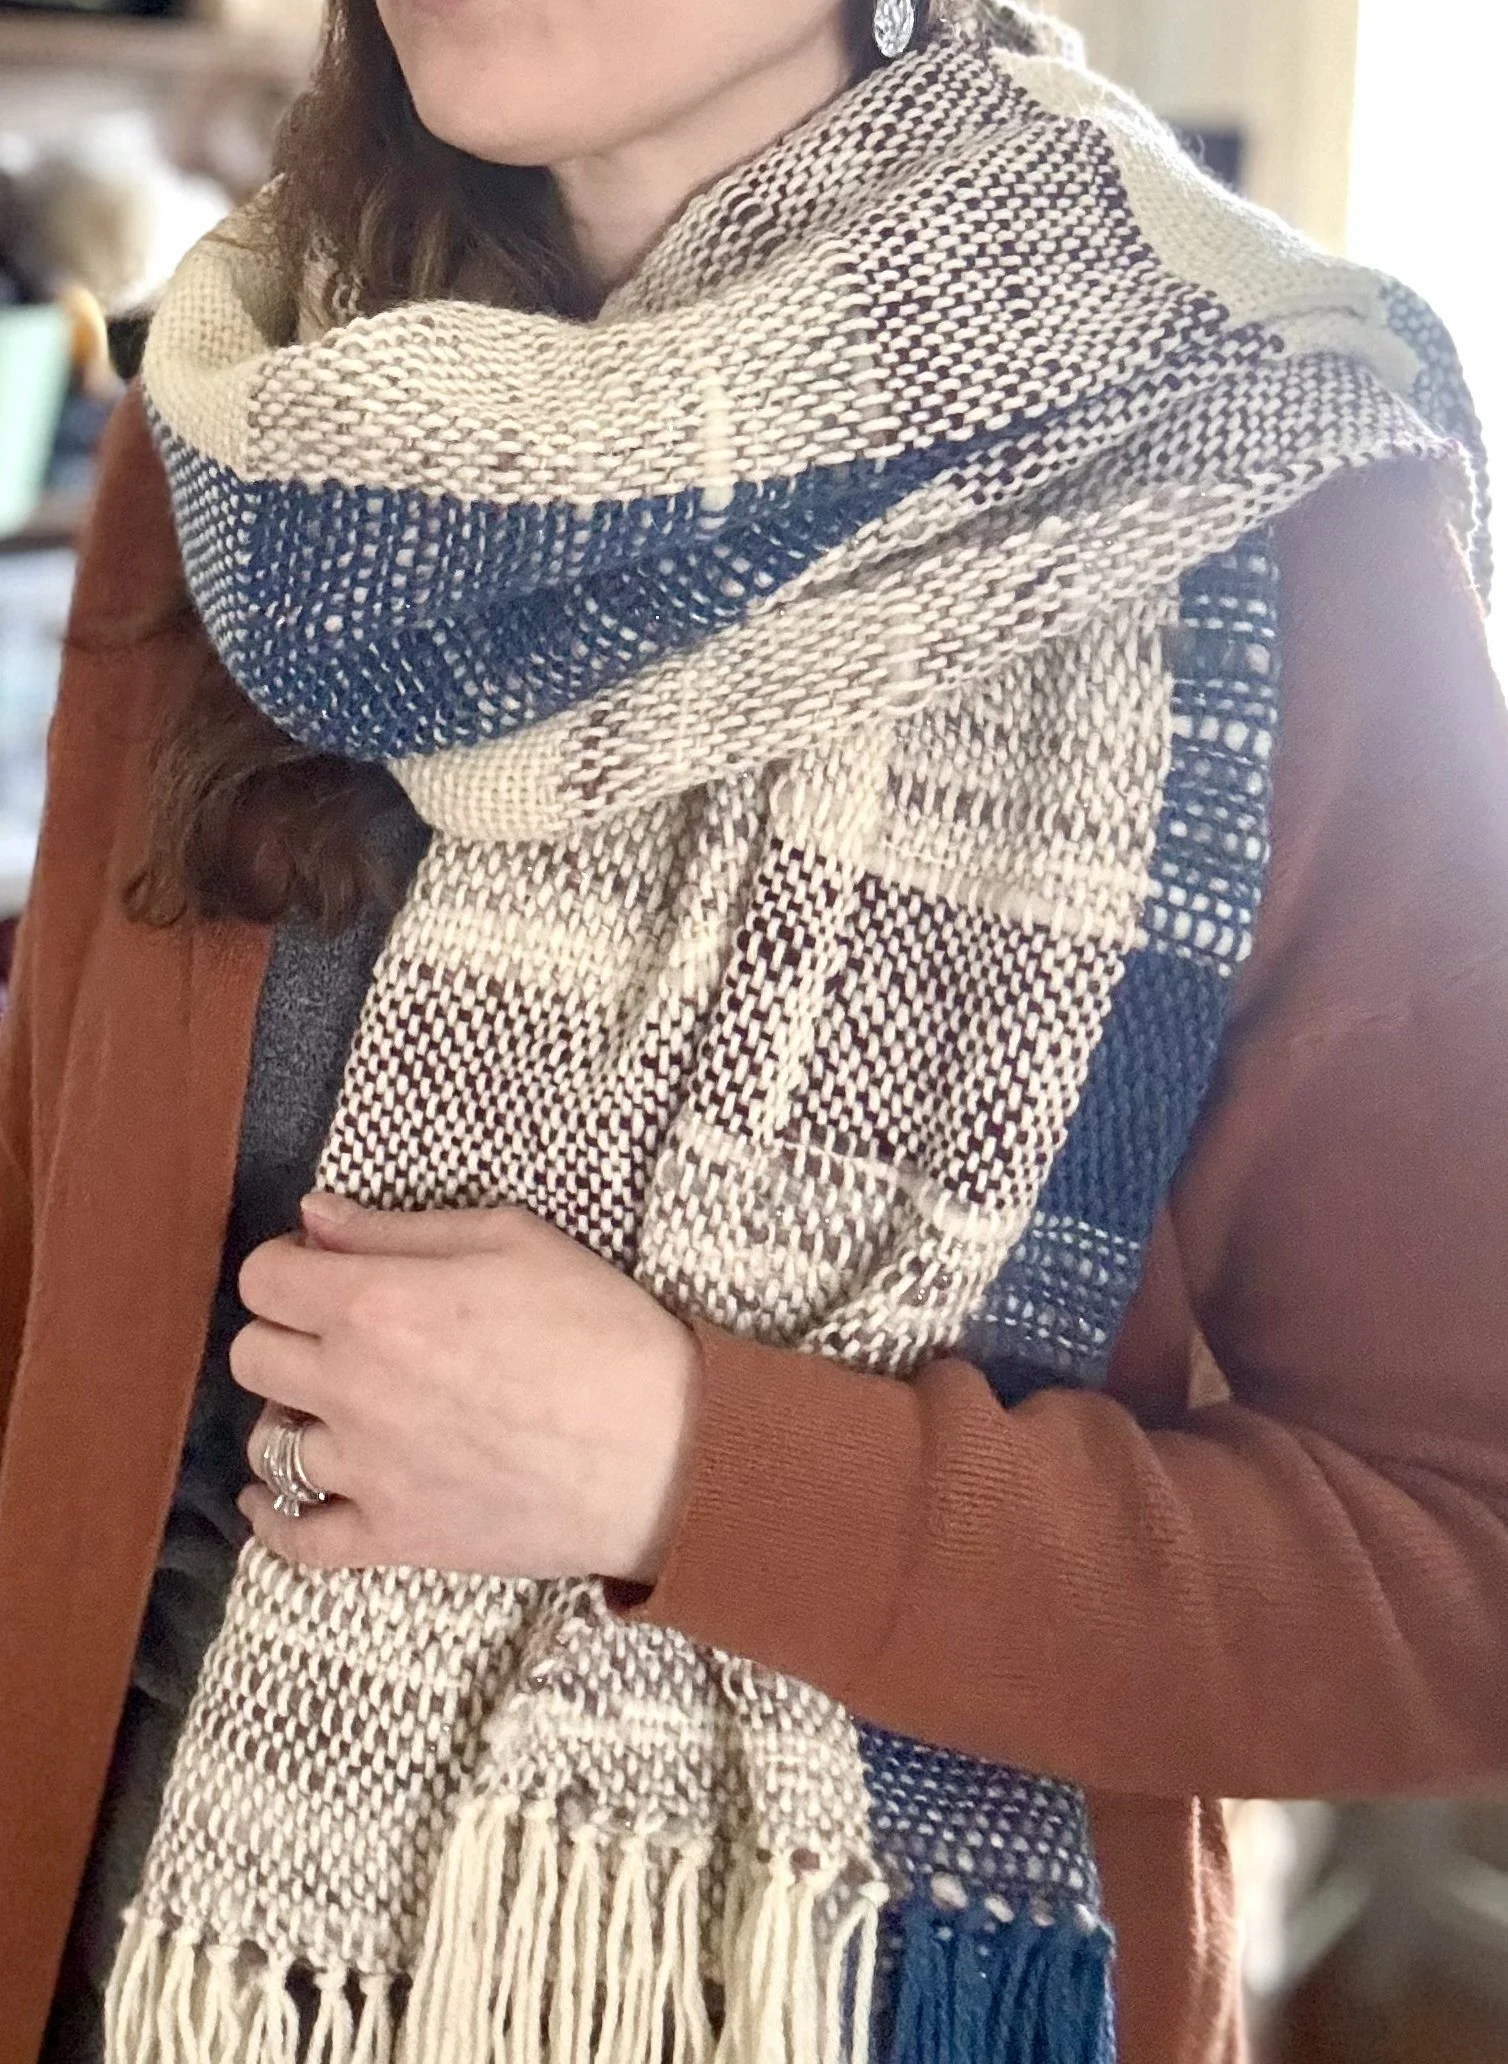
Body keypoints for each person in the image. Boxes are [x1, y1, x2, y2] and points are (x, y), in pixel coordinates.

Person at [2, 1, 1505, 2061]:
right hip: (148, 1970)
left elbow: (1460, 1570)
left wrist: (692, 1472)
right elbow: (55, 1276)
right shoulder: (252, 433)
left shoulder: (1262, 496)